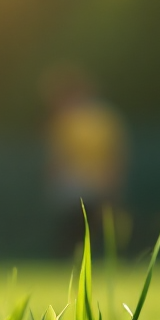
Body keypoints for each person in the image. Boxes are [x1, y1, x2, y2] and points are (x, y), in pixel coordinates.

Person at [42, 64, 128, 256]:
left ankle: (99, 257)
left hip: (96, 180)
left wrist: (112, 178)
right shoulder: (65, 120)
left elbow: (114, 152)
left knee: (98, 223)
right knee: (72, 224)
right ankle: (71, 257)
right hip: (72, 181)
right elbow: (58, 155)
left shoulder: (102, 118)